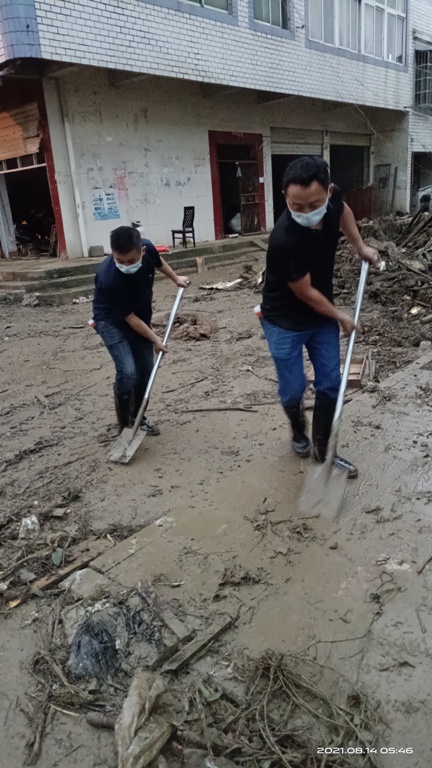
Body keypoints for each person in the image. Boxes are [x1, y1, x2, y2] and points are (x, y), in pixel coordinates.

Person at [260, 156, 379, 479]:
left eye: (314, 204)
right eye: (296, 206)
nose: (306, 212)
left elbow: (343, 211)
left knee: (330, 384)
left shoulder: (333, 198)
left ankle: (324, 452)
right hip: (283, 321)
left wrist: (359, 246)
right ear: (285, 197)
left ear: (327, 192)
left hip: (320, 318)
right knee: (293, 390)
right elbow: (306, 293)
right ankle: (298, 429)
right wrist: (340, 315)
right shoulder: (284, 240)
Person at [93, 225, 189, 434]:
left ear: (142, 251)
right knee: (128, 372)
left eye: (131, 260)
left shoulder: (148, 248)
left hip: (139, 316)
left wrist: (176, 279)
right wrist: (155, 339)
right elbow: (128, 318)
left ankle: (137, 417)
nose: (126, 265)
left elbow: (158, 262)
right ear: (112, 253)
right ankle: (125, 424)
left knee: (145, 370)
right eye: (120, 260)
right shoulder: (109, 279)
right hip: (110, 321)